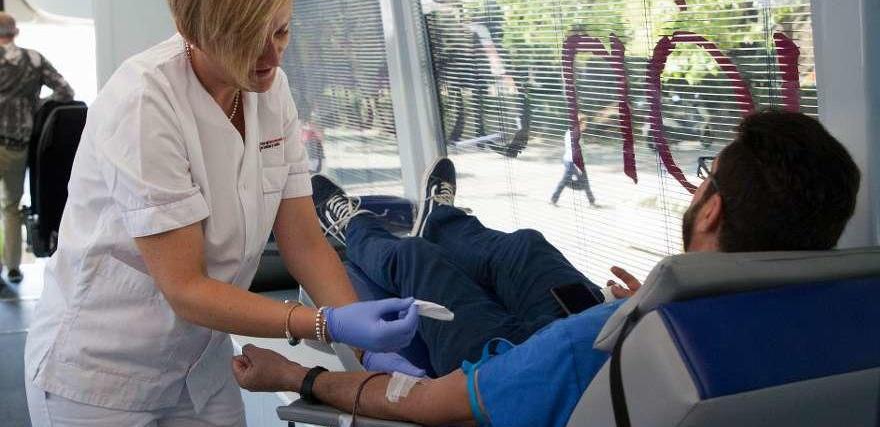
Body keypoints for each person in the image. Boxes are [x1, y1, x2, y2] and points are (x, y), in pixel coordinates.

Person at [233, 110, 860, 426]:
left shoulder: (597, 341)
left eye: (706, 178)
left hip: (535, 360)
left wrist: (294, 374)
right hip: (606, 328)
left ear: (713, 206)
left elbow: (426, 404)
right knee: (527, 247)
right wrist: (659, 305)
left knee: (418, 263)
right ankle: (441, 218)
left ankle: (355, 226)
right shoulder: (833, 331)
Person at [24, 0, 417, 425]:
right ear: (194, 27)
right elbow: (185, 286)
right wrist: (325, 322)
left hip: (202, 361)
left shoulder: (270, 89)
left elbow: (304, 242)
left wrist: (363, 350)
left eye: (281, 32)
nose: (272, 59)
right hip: (104, 374)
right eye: (250, 41)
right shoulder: (145, 101)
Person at [0, 13, 73, 285]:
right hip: (16, 146)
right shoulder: (34, 60)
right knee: (10, 207)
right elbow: (65, 91)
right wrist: (35, 106)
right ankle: (13, 267)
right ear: (15, 32)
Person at [551, 112, 596, 206]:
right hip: (573, 162)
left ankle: (592, 201)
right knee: (576, 182)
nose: (586, 125)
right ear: (580, 123)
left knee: (584, 182)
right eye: (585, 123)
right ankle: (557, 195)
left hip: (572, 161)